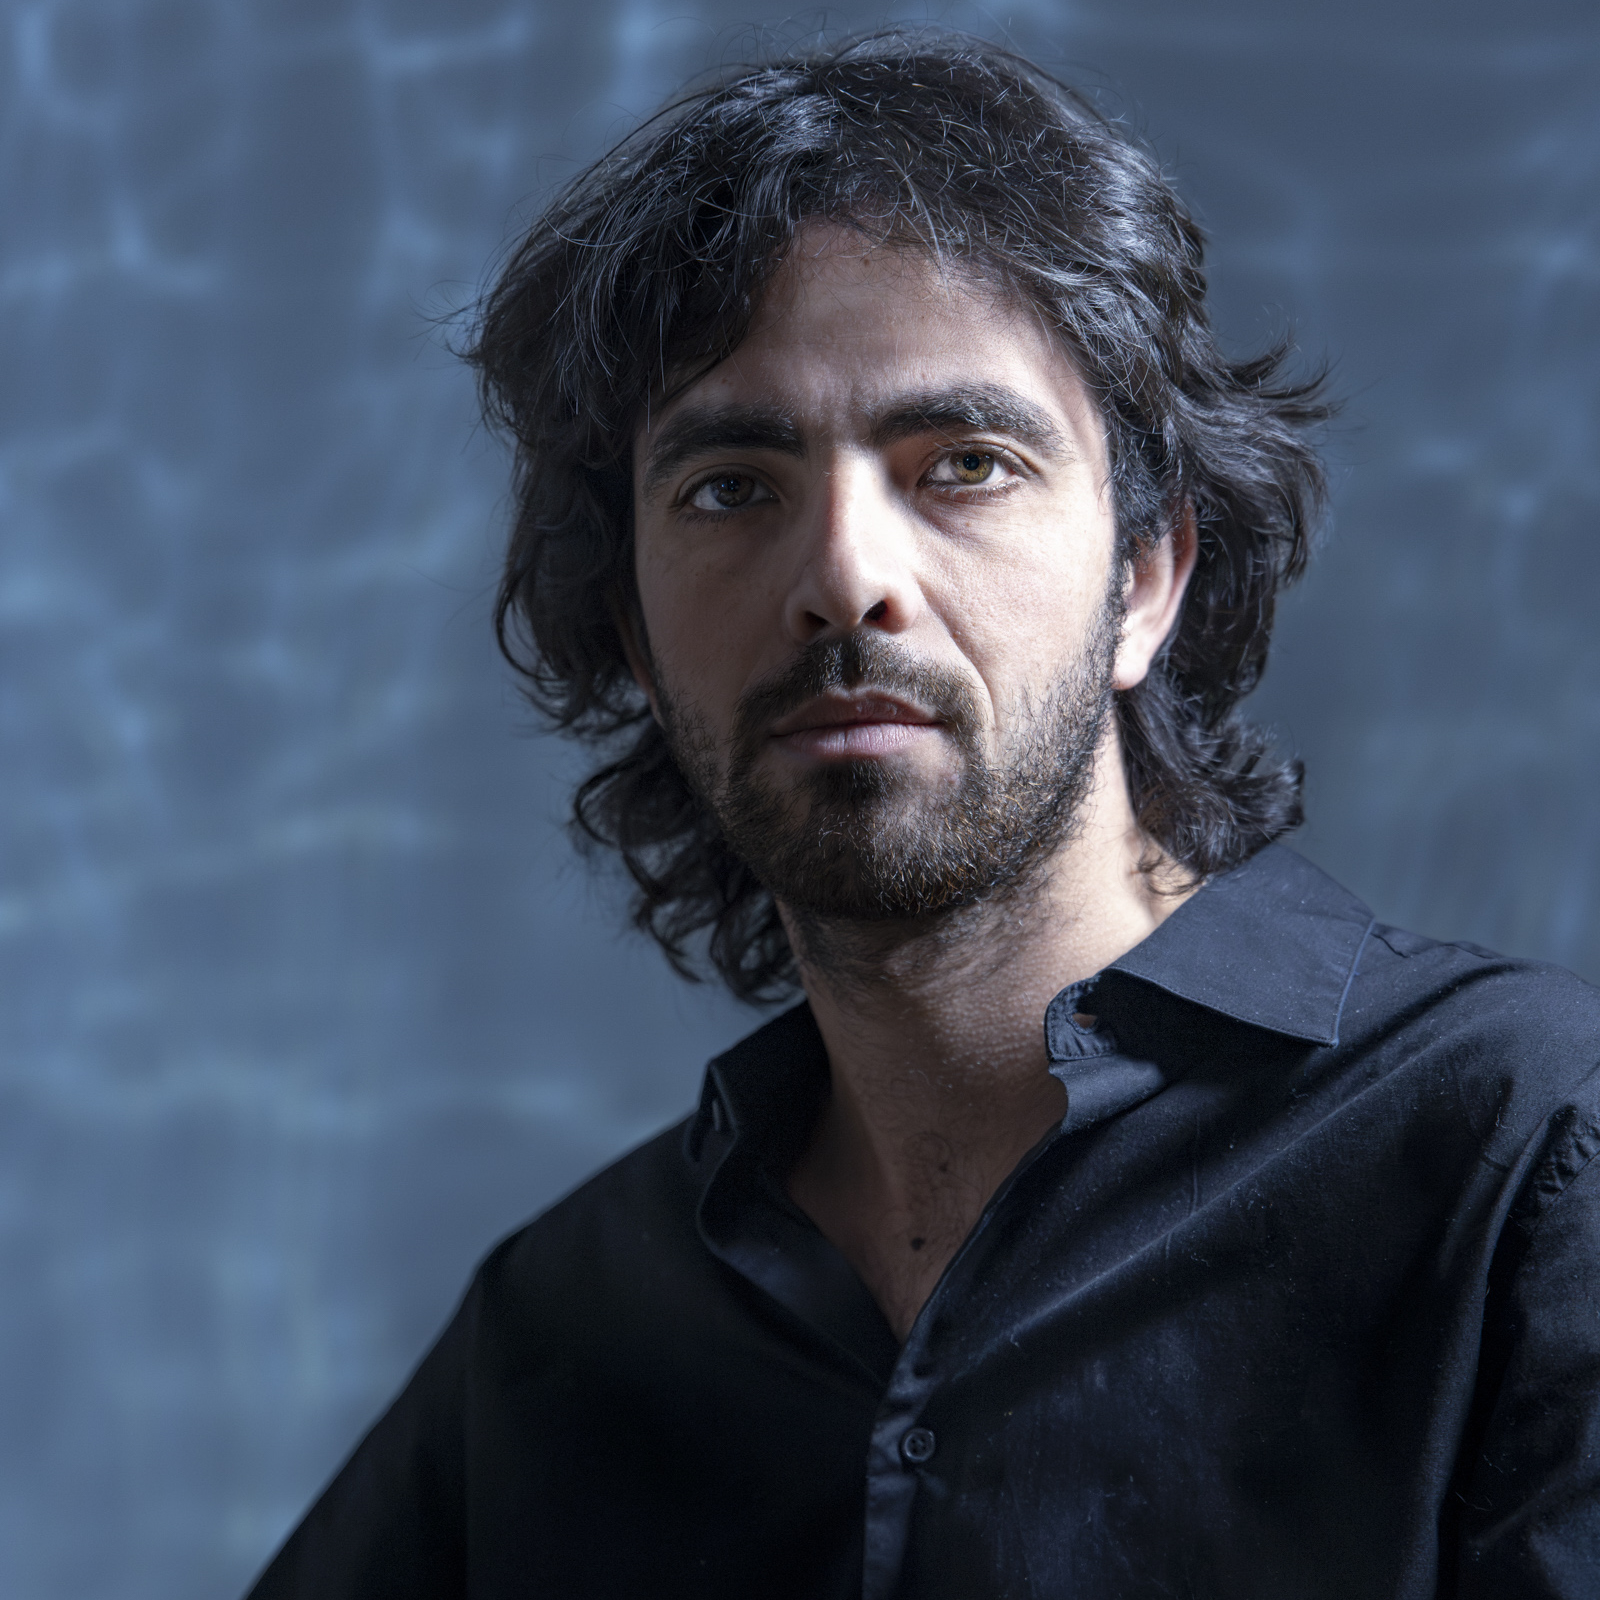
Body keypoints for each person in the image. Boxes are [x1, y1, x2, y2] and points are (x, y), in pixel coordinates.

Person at [247, 31, 1600, 1599]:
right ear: (636, 637)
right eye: (731, 487)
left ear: (1144, 580)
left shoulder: (1525, 1155)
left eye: (962, 463)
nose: (844, 577)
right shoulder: (560, 1338)